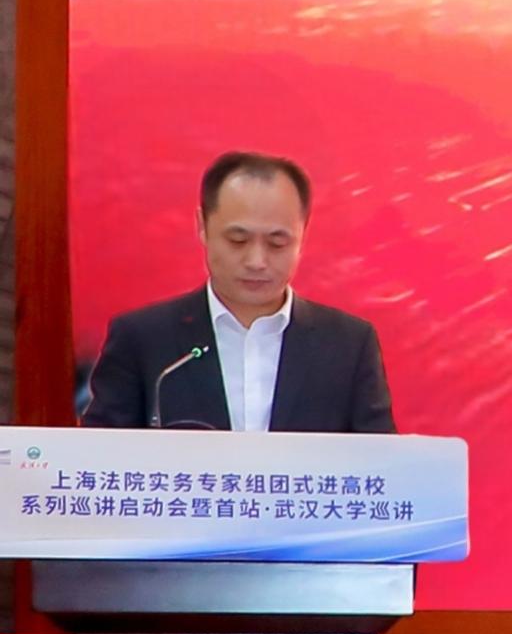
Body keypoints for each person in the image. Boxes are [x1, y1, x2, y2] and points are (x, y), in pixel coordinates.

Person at [80, 152, 396, 433]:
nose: (256, 261)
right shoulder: (143, 339)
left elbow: (380, 466)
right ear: (202, 226)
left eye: (277, 243)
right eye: (238, 240)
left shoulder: (348, 345)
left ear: (303, 234)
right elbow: (99, 459)